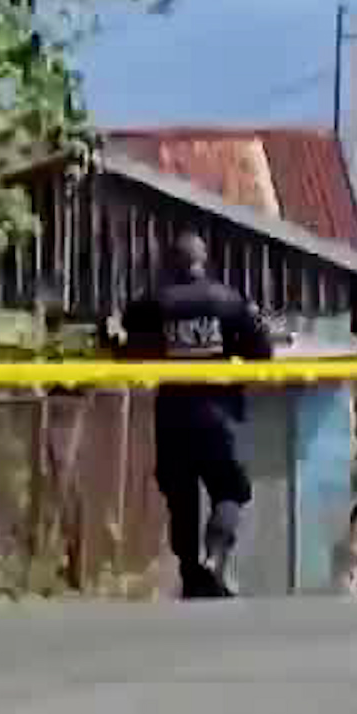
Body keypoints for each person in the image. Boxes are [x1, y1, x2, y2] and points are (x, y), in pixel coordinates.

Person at [119, 232, 274, 599]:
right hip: (218, 412)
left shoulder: (154, 302)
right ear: (203, 261)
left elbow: (128, 338)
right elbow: (261, 350)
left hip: (173, 414)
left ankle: (192, 574)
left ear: (171, 263)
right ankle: (215, 553)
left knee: (180, 497)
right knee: (231, 489)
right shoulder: (228, 300)